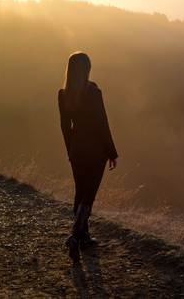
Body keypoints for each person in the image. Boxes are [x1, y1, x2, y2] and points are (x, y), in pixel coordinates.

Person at [58, 51, 118, 261]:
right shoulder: (93, 92)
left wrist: (71, 150)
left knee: (80, 193)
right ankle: (75, 237)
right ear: (87, 70)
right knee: (88, 195)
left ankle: (84, 239)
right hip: (95, 152)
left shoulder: (63, 94)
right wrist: (112, 153)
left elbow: (65, 128)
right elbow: (103, 125)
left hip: (77, 151)